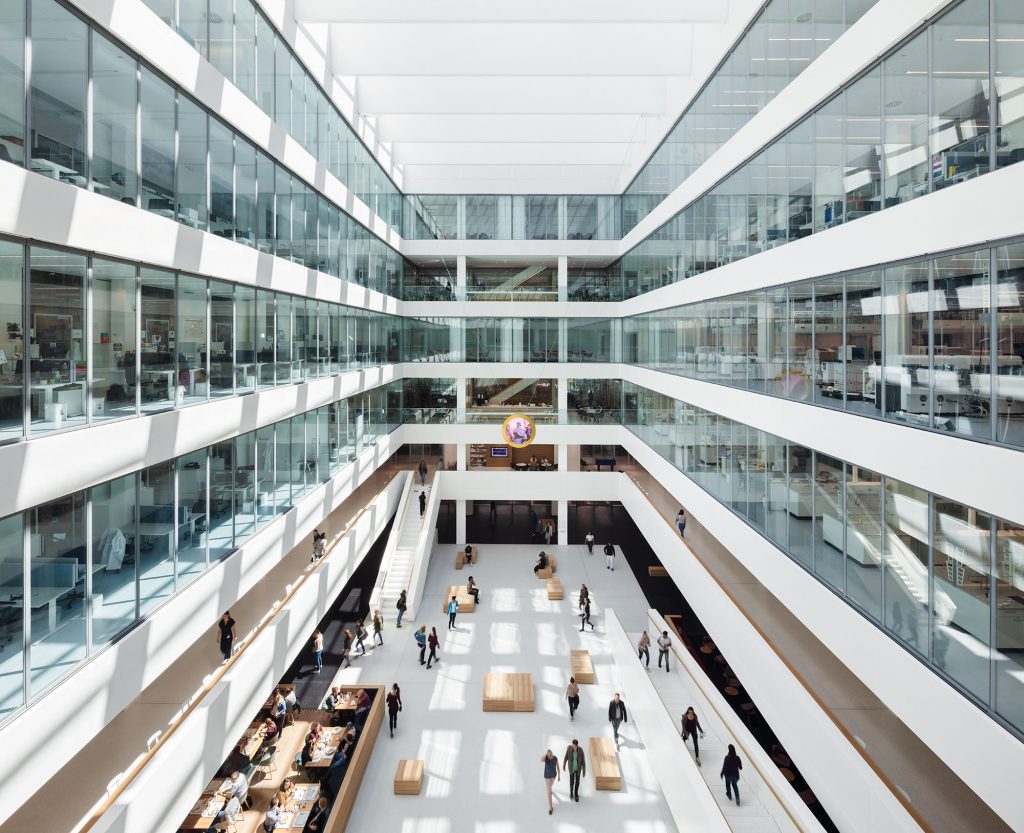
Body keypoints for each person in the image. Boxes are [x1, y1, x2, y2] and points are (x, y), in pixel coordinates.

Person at [562, 739, 586, 803]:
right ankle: (571, 793)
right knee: (571, 782)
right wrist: (564, 765)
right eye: (572, 745)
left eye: (573, 746)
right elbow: (565, 757)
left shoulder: (580, 750)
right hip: (571, 769)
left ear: (576, 746)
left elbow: (583, 761)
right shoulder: (569, 749)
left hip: (578, 769)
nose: (572, 746)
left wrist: (584, 771)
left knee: (577, 782)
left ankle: (576, 793)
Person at [541, 749, 560, 815]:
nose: (550, 755)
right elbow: (541, 759)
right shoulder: (546, 759)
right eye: (549, 755)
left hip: (553, 776)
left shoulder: (555, 758)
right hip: (547, 777)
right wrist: (546, 755)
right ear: (547, 755)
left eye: (551, 754)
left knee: (551, 785)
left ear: (552, 753)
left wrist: (559, 776)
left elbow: (558, 766)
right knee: (549, 792)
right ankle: (550, 808)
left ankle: (550, 789)